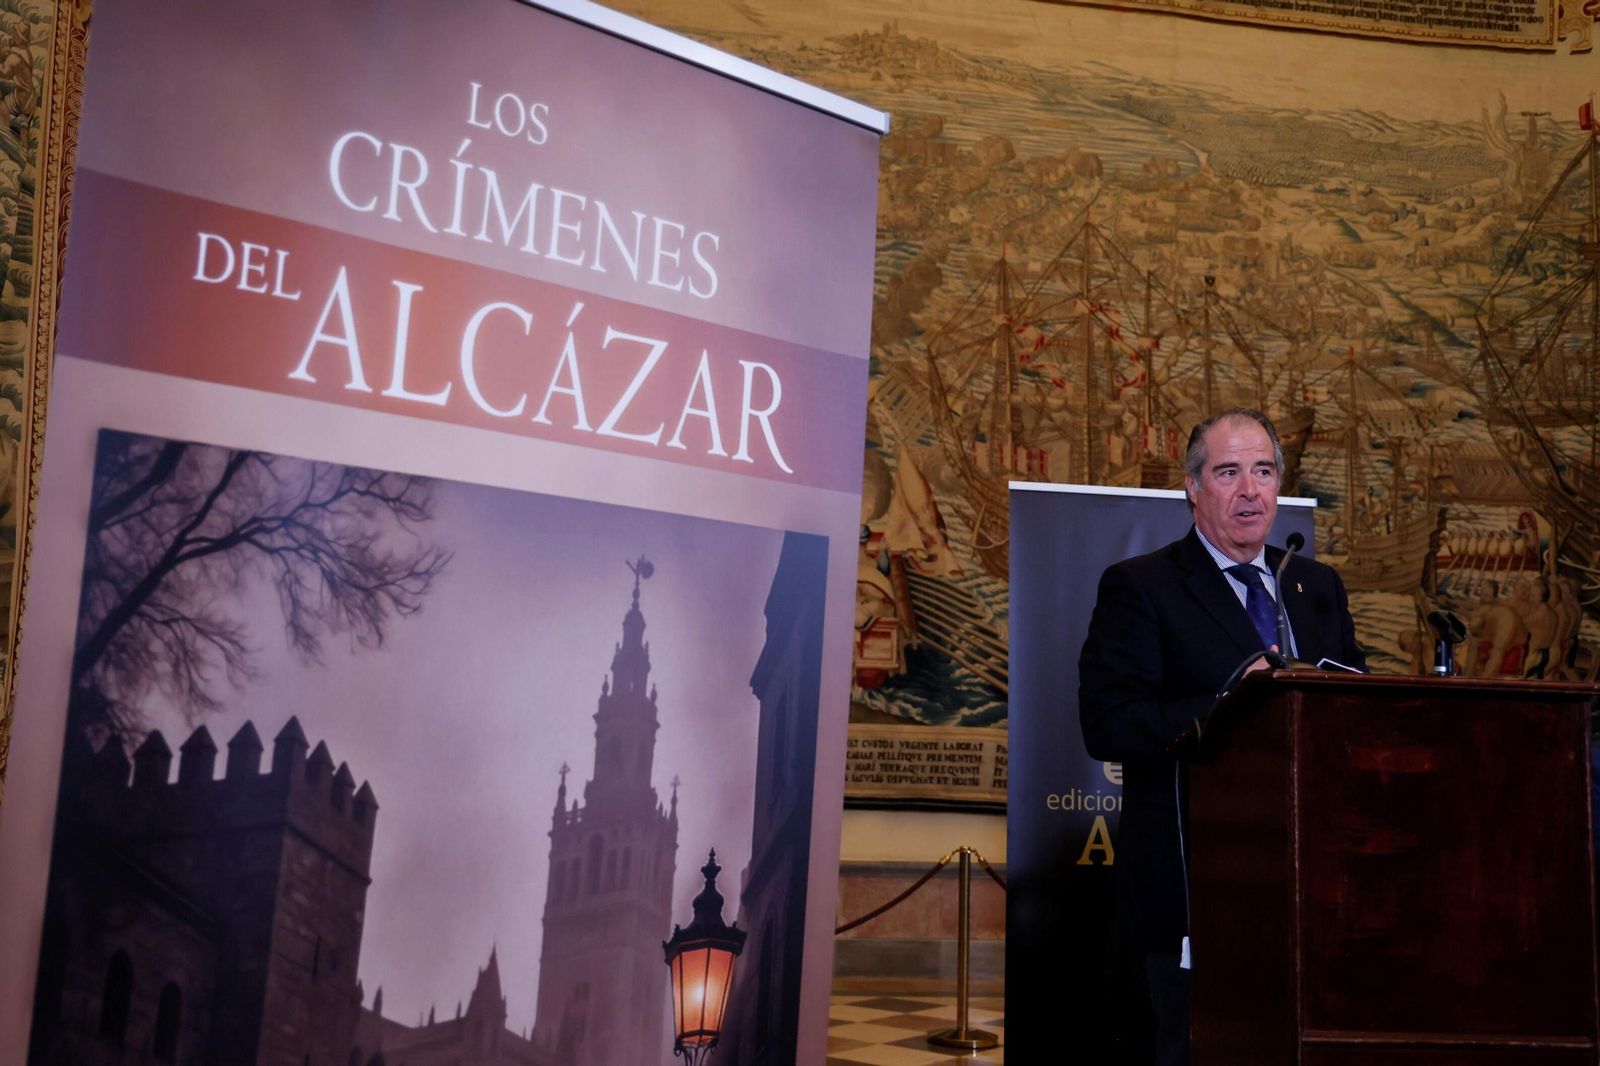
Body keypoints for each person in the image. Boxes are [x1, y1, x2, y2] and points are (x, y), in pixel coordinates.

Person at [1078, 407, 1364, 1065]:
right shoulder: (1142, 587)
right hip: (1194, 891)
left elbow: (1350, 712)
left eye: (1263, 472)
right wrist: (1225, 703)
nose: (1250, 490)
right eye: (1229, 472)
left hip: (1308, 890)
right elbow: (1109, 722)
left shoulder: (1314, 586)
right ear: (1192, 487)